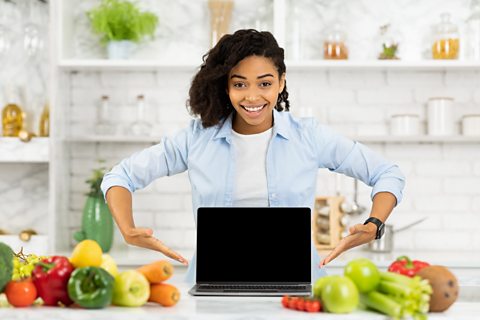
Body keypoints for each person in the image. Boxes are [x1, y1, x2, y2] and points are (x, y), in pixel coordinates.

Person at [101, 29, 405, 283]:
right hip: (212, 286)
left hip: (298, 287)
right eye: (239, 84)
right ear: (226, 86)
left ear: (281, 82)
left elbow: (387, 174)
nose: (252, 96)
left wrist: (374, 223)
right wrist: (127, 230)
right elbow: (120, 177)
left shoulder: (308, 136)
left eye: (265, 83)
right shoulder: (197, 138)